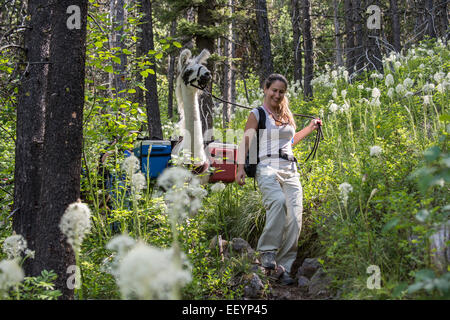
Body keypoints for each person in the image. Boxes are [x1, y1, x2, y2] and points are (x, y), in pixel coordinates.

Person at [235, 73, 322, 285]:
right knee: (277, 201)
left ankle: (284, 268)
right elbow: (245, 143)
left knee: (295, 218)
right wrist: (239, 168)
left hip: (290, 169)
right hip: (266, 167)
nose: (277, 95)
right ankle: (267, 253)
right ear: (265, 89)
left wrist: (310, 128)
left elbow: (290, 141)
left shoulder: (286, 114)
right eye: (274, 90)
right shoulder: (257, 114)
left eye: (281, 92)